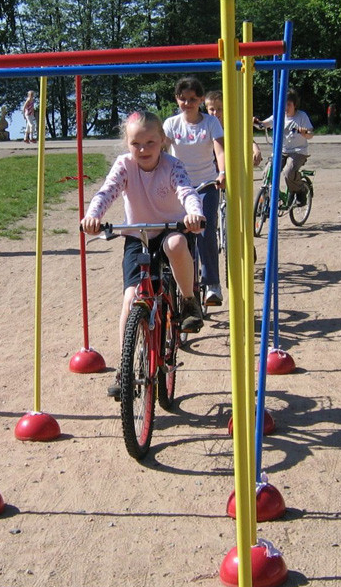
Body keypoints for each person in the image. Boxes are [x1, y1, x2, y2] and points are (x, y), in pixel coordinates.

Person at [81, 111, 205, 398]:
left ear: (162, 140)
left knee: (175, 246)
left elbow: (187, 191)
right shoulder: (124, 165)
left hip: (173, 228)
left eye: (150, 142)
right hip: (138, 235)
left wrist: (194, 214)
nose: (143, 149)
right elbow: (107, 191)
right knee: (130, 298)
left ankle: (187, 301)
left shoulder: (172, 165)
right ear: (127, 143)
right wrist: (92, 216)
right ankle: (126, 366)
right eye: (136, 143)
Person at [164, 78, 225, 306]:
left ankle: (212, 284)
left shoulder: (210, 123)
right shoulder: (171, 124)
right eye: (183, 99)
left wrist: (223, 172)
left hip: (206, 184)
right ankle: (174, 281)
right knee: (175, 234)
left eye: (192, 99)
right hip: (179, 186)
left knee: (204, 231)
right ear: (176, 99)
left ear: (201, 100)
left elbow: (219, 149)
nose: (187, 103)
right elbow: (160, 149)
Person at [256, 90, 314, 205]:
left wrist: (304, 133)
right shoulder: (278, 116)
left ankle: (300, 191)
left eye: (288, 104)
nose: (285, 107)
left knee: (289, 172)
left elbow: (310, 134)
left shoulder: (301, 116)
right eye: (283, 104)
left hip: (298, 152)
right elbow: (264, 124)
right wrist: (256, 122)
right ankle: (265, 200)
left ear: (294, 105)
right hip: (281, 151)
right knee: (267, 173)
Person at [205, 89, 263, 166]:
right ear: (207, 109)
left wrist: (256, 150)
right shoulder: (205, 125)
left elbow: (246, 138)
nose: (215, 113)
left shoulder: (231, 124)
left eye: (219, 109)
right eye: (212, 109)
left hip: (231, 163)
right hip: (212, 165)